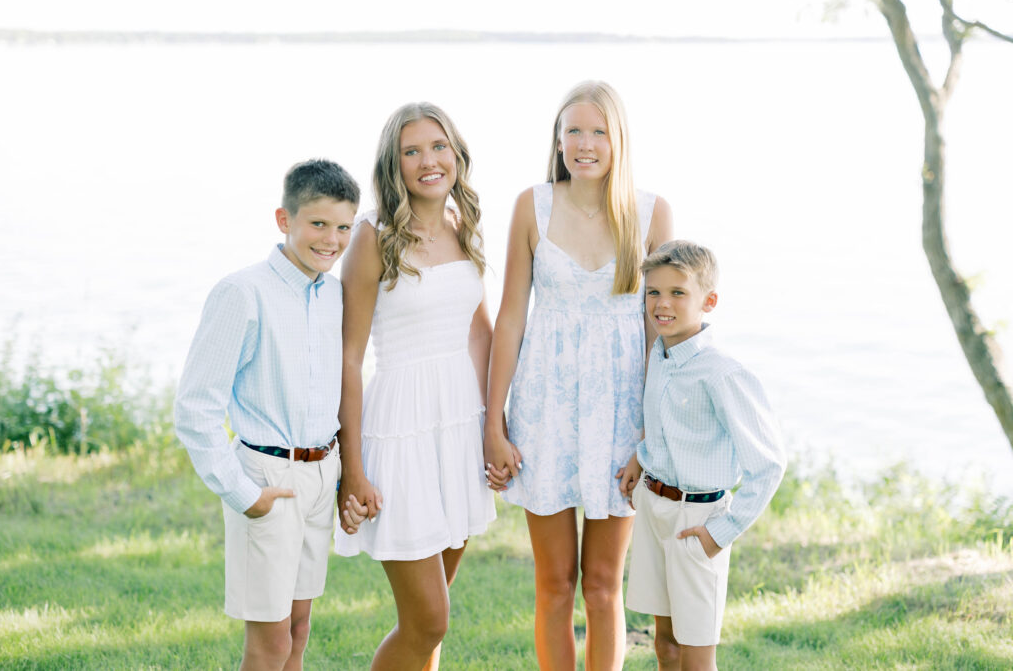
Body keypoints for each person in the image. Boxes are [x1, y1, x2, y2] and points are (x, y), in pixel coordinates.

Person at [484, 80, 674, 670]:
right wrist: (496, 422)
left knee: (601, 587)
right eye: (573, 131)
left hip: (621, 415)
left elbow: (661, 333)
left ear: (618, 140)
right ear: (558, 139)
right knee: (555, 585)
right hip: (543, 411)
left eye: (598, 131)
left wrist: (652, 436)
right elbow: (511, 316)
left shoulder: (651, 213)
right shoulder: (531, 205)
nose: (585, 144)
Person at [174, 159, 360, 671]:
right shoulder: (243, 292)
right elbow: (195, 407)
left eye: (343, 227)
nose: (331, 240)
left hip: (322, 474)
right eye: (317, 224)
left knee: (299, 631)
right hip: (267, 480)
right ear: (284, 219)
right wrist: (243, 494)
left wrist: (343, 474)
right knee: (270, 642)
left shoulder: (335, 295)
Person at [333, 102, 496, 671]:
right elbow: (348, 359)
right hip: (399, 431)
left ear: (456, 154)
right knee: (428, 619)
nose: (428, 161)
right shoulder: (371, 239)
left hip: (458, 426)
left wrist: (493, 429)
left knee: (431, 622)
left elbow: (480, 334)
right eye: (412, 151)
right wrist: (351, 468)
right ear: (393, 165)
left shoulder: (462, 226)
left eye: (438, 146)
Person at [618, 240, 786, 671]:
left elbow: (768, 466)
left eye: (678, 293)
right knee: (665, 644)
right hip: (655, 510)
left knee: (695, 657)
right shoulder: (660, 353)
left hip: (697, 523)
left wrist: (720, 532)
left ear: (708, 301)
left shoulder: (721, 372)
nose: (662, 304)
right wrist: (641, 457)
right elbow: (664, 426)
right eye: (653, 292)